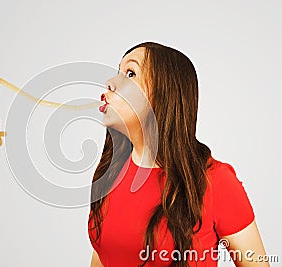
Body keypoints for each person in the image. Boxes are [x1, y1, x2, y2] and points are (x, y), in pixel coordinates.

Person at [88, 42, 269, 267]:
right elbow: (104, 256)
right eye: (118, 72)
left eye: (130, 73)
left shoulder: (215, 181)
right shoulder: (110, 173)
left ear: (164, 94)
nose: (110, 83)